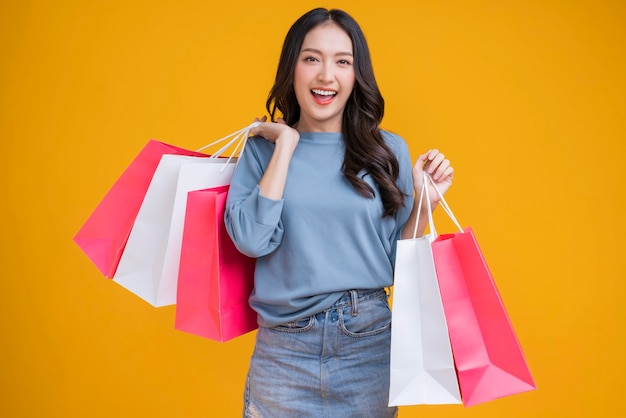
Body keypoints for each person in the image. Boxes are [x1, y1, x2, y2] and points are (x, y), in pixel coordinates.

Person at [225, 7, 453, 417]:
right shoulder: (262, 151)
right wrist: (286, 145)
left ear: (355, 75)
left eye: (342, 62)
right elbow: (251, 240)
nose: (326, 75)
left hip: (367, 344)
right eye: (311, 58)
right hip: (284, 353)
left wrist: (425, 203)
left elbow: (399, 264)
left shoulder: (388, 151)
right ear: (291, 67)